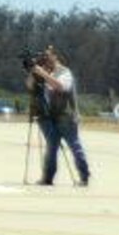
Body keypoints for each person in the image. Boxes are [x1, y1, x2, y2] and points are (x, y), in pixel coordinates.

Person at [27, 46, 92, 187]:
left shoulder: (64, 72)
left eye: (47, 56)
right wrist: (33, 72)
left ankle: (84, 176)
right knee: (52, 147)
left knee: (74, 146)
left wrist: (42, 73)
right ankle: (48, 178)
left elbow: (61, 86)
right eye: (43, 57)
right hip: (50, 116)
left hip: (66, 115)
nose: (45, 60)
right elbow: (30, 87)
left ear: (55, 57)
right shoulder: (44, 72)